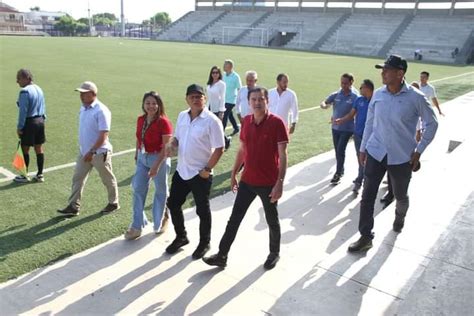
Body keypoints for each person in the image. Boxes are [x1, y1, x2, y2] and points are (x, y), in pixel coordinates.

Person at [348, 55, 438, 253]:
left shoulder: (416, 98)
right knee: (367, 196)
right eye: (382, 69)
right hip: (376, 152)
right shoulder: (378, 95)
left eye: (386, 70)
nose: (382, 73)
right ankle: (365, 236)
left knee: (400, 195)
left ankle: (399, 216)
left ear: (400, 73)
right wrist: (363, 148)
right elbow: (370, 124)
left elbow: (432, 124)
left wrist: (419, 151)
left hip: (401, 157)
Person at [203, 86, 289, 270]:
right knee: (234, 219)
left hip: (268, 184)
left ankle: (274, 253)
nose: (257, 102)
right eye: (254, 99)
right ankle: (222, 255)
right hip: (247, 181)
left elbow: (283, 155)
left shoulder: (277, 123)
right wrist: (234, 173)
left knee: (272, 220)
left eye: (261, 99)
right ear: (249, 102)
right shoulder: (247, 121)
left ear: (267, 101)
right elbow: (242, 150)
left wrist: (279, 183)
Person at [165, 84, 225, 260]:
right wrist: (172, 144)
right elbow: (177, 137)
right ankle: (181, 236)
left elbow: (219, 148)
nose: (195, 99)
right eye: (192, 97)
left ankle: (204, 242)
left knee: (202, 210)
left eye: (199, 96)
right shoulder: (182, 116)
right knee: (174, 203)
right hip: (182, 171)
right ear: (186, 99)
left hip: (200, 174)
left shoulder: (212, 121)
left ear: (204, 99)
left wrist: (207, 170)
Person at [57, 81, 120, 216]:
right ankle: (74, 206)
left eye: (84, 93)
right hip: (84, 152)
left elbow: (104, 134)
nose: (81, 96)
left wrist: (92, 151)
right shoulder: (83, 108)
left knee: (107, 178)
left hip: (99, 153)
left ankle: (114, 203)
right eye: (80, 93)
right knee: (77, 178)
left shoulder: (101, 110)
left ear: (93, 94)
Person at [124, 91, 173, 240]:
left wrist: (156, 166)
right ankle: (136, 226)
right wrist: (136, 153)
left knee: (160, 190)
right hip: (142, 157)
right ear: (143, 104)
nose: (150, 106)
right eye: (148, 103)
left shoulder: (163, 122)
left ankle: (161, 220)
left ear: (158, 105)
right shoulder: (141, 119)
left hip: (159, 157)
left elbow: (167, 147)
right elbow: (139, 138)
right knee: (138, 187)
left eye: (153, 103)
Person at [333, 79, 374, 194]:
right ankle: (360, 179)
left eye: (361, 87)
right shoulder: (359, 100)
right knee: (360, 157)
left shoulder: (376, 101)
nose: (360, 89)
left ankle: (366, 180)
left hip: (372, 137)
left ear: (368, 88)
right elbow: (352, 114)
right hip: (358, 135)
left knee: (370, 160)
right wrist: (341, 120)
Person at [320, 73, 358, 184]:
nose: (343, 85)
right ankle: (341, 169)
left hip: (347, 129)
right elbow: (325, 102)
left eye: (346, 83)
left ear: (351, 83)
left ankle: (338, 173)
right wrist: (324, 105)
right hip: (335, 128)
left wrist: (343, 120)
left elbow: (355, 113)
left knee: (341, 149)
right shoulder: (336, 94)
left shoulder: (355, 97)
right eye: (342, 83)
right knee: (337, 150)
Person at [14, 69, 46, 183]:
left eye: (19, 78)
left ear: (27, 78)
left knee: (25, 149)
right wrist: (43, 119)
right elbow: (43, 106)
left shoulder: (24, 91)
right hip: (40, 121)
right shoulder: (39, 89)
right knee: (39, 148)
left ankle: (24, 175)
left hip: (30, 123)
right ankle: (40, 174)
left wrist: (20, 127)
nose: (17, 81)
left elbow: (23, 111)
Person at [206, 65, 231, 150]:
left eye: (216, 72)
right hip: (209, 107)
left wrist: (221, 111)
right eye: (213, 72)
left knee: (217, 126)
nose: (215, 74)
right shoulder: (210, 83)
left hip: (217, 108)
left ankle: (226, 140)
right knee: (209, 125)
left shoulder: (221, 84)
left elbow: (222, 98)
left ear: (219, 74)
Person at [222, 59, 242, 135]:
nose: (223, 66)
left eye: (225, 65)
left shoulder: (236, 77)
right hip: (224, 99)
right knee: (229, 115)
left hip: (231, 100)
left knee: (224, 116)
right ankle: (236, 128)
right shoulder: (223, 75)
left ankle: (221, 133)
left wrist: (239, 100)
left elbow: (239, 88)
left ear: (230, 67)